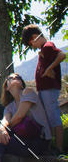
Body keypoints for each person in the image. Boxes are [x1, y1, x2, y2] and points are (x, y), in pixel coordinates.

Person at [22, 24, 66, 153]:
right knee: (48, 117)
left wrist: (49, 69)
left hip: (49, 89)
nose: (33, 47)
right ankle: (52, 146)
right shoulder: (44, 50)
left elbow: (62, 55)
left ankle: (59, 148)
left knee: (53, 117)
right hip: (44, 89)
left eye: (31, 43)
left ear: (35, 37)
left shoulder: (47, 46)